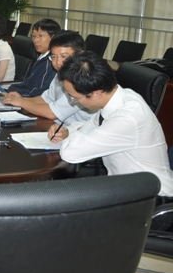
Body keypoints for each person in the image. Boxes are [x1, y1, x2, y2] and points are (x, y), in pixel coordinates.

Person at [48, 51, 173, 197]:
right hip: (124, 187)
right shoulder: (118, 98)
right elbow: (90, 125)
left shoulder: (127, 118)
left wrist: (78, 135)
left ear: (96, 93)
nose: (73, 101)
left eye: (74, 97)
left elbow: (70, 153)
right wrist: (68, 131)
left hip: (151, 196)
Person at [2, 30, 94, 125]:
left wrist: (22, 103)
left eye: (64, 56)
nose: (58, 62)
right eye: (53, 57)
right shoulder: (61, 73)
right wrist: (20, 99)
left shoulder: (83, 79)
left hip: (74, 130)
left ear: (80, 54)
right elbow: (46, 99)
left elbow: (52, 113)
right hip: (56, 125)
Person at [7, 18, 61, 96]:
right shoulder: (41, 58)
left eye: (40, 36)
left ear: (53, 38)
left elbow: (39, 94)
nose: (35, 40)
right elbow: (27, 84)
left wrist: (19, 98)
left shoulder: (52, 63)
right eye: (33, 36)